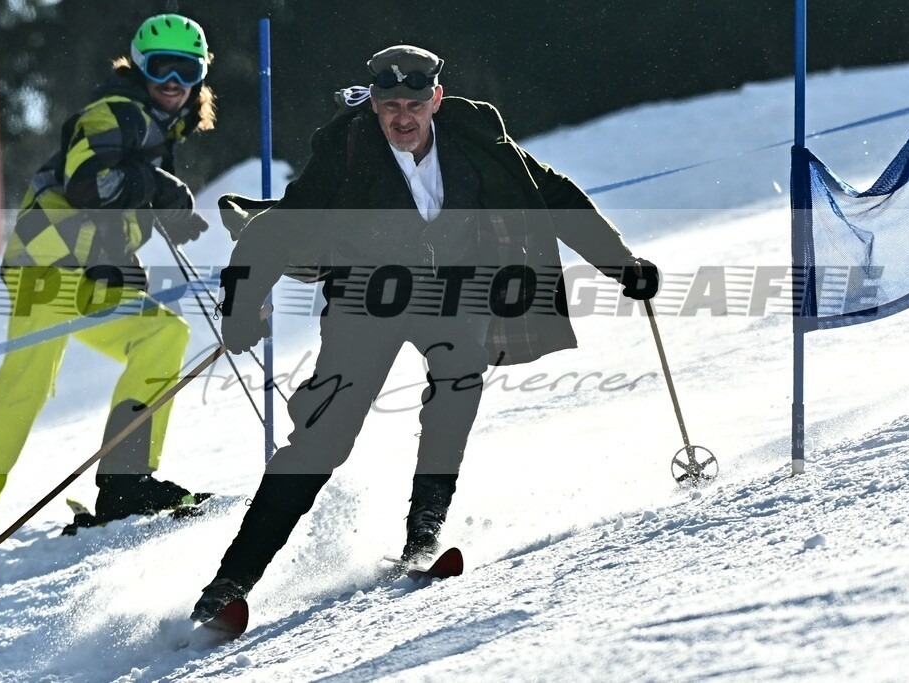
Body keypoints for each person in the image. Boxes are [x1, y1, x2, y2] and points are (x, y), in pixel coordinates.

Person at [192, 45, 659, 621]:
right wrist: (243, 305)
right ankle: (228, 584)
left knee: (458, 385)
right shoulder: (345, 147)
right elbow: (284, 227)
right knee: (323, 438)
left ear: (436, 99)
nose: (402, 117)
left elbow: (553, 197)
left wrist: (620, 263)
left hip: (450, 295)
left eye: (414, 103)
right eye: (390, 105)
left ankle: (423, 537)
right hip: (367, 300)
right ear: (374, 105)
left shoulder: (476, 138)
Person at [0, 14, 217, 558]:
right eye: (161, 67)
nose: (173, 81)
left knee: (161, 334)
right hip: (47, 265)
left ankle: (125, 484)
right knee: (27, 382)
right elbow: (91, 185)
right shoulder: (115, 113)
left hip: (87, 271)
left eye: (187, 69)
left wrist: (136, 232)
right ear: (139, 67)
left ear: (200, 77)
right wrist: (158, 187)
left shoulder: (155, 128)